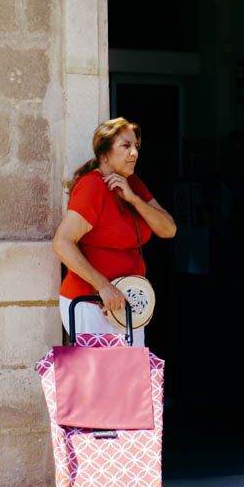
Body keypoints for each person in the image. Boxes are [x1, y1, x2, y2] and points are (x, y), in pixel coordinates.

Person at [51, 117, 176, 345]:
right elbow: (62, 243)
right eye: (126, 146)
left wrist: (134, 199)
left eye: (136, 146)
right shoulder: (92, 186)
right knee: (100, 379)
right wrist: (103, 287)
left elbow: (169, 229)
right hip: (91, 303)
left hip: (130, 304)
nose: (134, 153)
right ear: (105, 154)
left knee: (128, 379)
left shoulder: (134, 184)